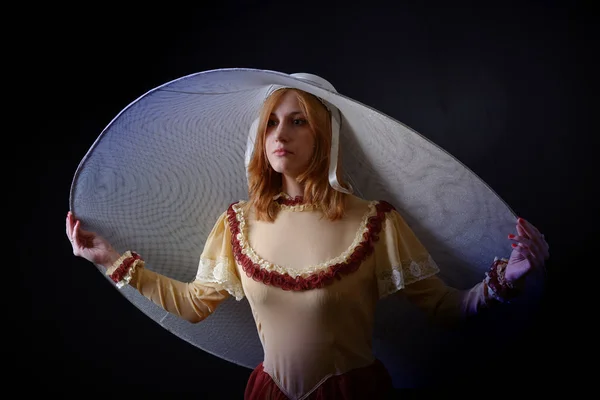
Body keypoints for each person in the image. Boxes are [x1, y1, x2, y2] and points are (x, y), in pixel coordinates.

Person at [66, 81, 550, 399]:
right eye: (272, 121)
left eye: (298, 121)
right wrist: (112, 262)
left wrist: (508, 277)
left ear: (324, 137)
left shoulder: (375, 221)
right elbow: (196, 304)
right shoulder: (236, 224)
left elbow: (446, 309)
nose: (281, 133)